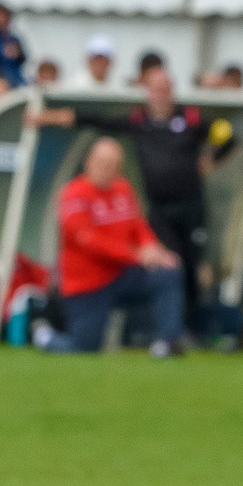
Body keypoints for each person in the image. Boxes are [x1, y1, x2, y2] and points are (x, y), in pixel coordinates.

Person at [36, 138, 184, 356]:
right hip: (87, 284)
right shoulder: (73, 195)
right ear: (88, 162)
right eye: (102, 163)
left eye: (113, 165)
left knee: (167, 272)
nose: (107, 170)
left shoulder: (123, 189)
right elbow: (90, 242)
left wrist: (153, 249)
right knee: (84, 348)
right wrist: (138, 256)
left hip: (120, 276)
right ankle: (46, 338)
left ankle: (167, 343)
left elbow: (137, 226)